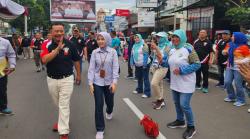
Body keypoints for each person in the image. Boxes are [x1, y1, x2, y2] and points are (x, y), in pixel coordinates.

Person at [40, 22, 81, 139]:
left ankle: (63, 132)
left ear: (64, 31)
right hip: (51, 79)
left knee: (63, 105)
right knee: (58, 104)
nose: (59, 33)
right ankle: (62, 121)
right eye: (56, 31)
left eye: (61, 31)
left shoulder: (71, 44)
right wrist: (57, 49)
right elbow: (44, 60)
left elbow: (76, 60)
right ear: (51, 32)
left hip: (67, 79)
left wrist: (78, 75)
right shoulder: (46, 44)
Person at [165, 29, 200, 139]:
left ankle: (191, 127)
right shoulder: (171, 49)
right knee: (176, 103)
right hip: (175, 82)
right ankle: (180, 120)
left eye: (177, 37)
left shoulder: (188, 48)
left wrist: (182, 70)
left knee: (184, 104)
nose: (174, 39)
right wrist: (160, 59)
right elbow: (168, 63)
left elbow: (197, 64)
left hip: (187, 82)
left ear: (182, 38)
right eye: (173, 37)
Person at [88, 32, 119, 139]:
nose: (100, 41)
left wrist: (114, 82)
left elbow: (115, 68)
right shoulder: (95, 52)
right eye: (98, 39)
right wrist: (90, 83)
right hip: (97, 82)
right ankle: (100, 129)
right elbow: (91, 69)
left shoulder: (113, 52)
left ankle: (109, 111)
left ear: (107, 40)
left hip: (109, 82)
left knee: (110, 103)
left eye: (102, 39)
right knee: (98, 105)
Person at [222, 32, 250, 107]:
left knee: (238, 84)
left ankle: (241, 100)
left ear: (239, 38)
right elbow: (224, 51)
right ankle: (231, 97)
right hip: (229, 66)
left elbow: (248, 57)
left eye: (233, 36)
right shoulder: (229, 44)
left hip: (239, 68)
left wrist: (241, 61)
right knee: (227, 82)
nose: (232, 37)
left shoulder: (244, 47)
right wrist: (224, 52)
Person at [150, 32, 170, 109]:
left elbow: (163, 58)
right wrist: (153, 50)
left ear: (164, 38)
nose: (157, 39)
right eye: (157, 37)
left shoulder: (167, 46)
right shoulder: (158, 45)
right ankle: (160, 99)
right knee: (159, 84)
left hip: (162, 67)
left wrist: (156, 48)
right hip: (155, 66)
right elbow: (154, 56)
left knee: (154, 83)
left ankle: (160, 100)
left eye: (159, 37)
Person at [130, 34, 151, 98]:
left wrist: (144, 64)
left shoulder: (144, 45)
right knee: (139, 77)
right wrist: (131, 63)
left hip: (145, 64)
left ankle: (147, 92)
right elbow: (132, 55)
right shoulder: (134, 46)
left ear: (140, 38)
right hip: (137, 64)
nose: (136, 39)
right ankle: (139, 89)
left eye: (137, 38)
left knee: (145, 78)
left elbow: (146, 55)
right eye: (135, 38)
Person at [0, 37, 16, 115]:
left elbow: (11, 54)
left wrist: (12, 66)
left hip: (1, 71)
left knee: (2, 90)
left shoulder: (5, 42)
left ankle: (3, 107)